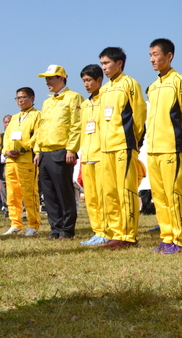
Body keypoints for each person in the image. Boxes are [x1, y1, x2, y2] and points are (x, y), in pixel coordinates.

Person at [145, 38, 182, 254]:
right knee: (160, 196)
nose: (152, 59)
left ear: (169, 56)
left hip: (171, 147)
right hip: (153, 148)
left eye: (155, 54)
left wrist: (178, 138)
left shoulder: (179, 81)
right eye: (150, 55)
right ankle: (166, 237)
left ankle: (179, 239)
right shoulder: (154, 86)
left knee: (175, 195)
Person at [97, 47, 147, 250]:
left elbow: (139, 115)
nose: (104, 67)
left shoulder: (130, 84)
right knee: (109, 192)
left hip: (124, 145)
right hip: (106, 148)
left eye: (107, 63)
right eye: (102, 63)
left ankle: (128, 235)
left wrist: (134, 140)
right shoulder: (104, 90)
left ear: (119, 63)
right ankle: (116, 233)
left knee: (125, 191)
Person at [34, 65, 82, 240]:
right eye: (46, 79)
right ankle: (55, 228)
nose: (47, 82)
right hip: (44, 153)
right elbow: (41, 128)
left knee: (64, 193)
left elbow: (77, 125)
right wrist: (37, 150)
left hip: (61, 152)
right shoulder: (47, 102)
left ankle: (67, 230)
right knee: (49, 195)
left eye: (50, 78)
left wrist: (71, 149)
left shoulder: (73, 97)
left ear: (61, 78)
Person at [1, 88, 41, 237]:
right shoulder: (14, 118)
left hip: (26, 160)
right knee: (12, 194)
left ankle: (33, 224)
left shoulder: (37, 115)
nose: (20, 100)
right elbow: (6, 137)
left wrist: (23, 149)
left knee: (29, 193)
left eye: (23, 97)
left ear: (32, 98)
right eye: (18, 98)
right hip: (11, 161)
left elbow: (37, 136)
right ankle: (15, 224)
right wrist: (6, 151)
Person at [78, 64, 110, 246]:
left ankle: (107, 230)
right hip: (88, 156)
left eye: (89, 80)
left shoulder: (106, 99)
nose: (86, 84)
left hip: (102, 155)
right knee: (90, 197)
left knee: (103, 196)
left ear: (99, 80)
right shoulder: (84, 104)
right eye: (84, 81)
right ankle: (97, 231)